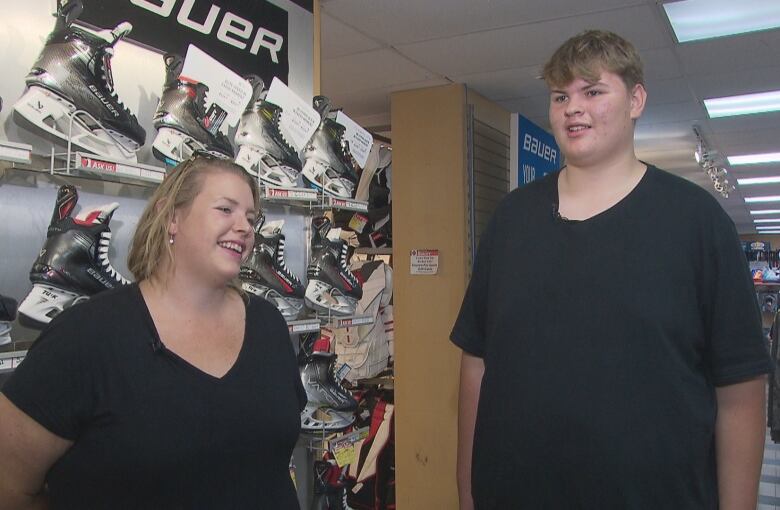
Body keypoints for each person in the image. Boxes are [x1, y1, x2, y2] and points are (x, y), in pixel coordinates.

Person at [452, 30, 771, 510]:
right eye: (561, 96)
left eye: (593, 91)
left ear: (636, 99)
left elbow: (742, 388)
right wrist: (468, 492)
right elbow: (476, 363)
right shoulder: (513, 220)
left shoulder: (696, 223)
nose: (572, 108)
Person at [0, 155, 306, 509]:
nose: (245, 227)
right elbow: (10, 485)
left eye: (251, 218)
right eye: (226, 209)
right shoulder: (87, 335)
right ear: (172, 217)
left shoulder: (268, 324)